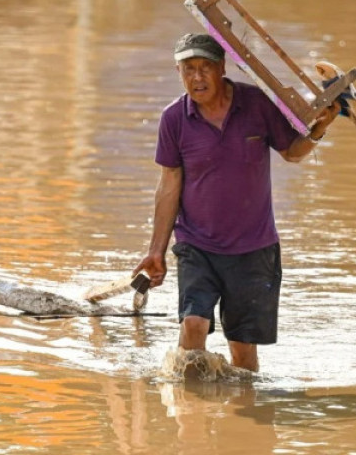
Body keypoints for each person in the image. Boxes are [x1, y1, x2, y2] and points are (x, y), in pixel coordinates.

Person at [133, 33, 340, 372]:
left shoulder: (257, 103)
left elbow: (292, 152)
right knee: (193, 325)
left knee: (243, 357)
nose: (197, 78)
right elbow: (169, 184)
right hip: (197, 244)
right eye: (188, 70)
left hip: (254, 249)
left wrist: (319, 129)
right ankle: (190, 417)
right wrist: (156, 250)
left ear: (222, 68)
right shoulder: (174, 119)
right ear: (179, 73)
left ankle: (243, 417)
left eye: (205, 68)